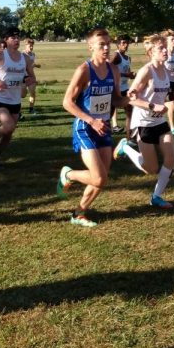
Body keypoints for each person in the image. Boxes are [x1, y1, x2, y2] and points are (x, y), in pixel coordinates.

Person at [57, 28, 127, 227]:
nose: (106, 48)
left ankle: (78, 214)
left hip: (103, 128)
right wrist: (91, 121)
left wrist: (128, 98)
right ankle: (68, 174)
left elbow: (115, 100)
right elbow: (67, 102)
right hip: (85, 127)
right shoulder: (84, 70)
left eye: (108, 44)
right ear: (91, 47)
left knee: (101, 179)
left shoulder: (113, 70)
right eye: (101, 45)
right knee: (98, 177)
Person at [115, 34, 174, 208]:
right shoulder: (146, 71)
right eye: (161, 48)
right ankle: (125, 148)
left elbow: (167, 96)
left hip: (159, 122)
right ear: (150, 52)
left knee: (171, 158)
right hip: (143, 123)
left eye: (165, 47)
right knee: (150, 168)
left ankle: (156, 197)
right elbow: (131, 98)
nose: (165, 50)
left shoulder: (166, 71)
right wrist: (152, 106)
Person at [0, 28, 35, 168]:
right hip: (1, 98)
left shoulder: (26, 58)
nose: (16, 40)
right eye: (12, 37)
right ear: (6, 40)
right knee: (9, 125)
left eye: (18, 37)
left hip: (15, 100)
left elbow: (32, 76)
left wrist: (29, 79)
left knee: (9, 133)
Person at [110, 36, 134, 133]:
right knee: (109, 113)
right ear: (118, 44)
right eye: (123, 43)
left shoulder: (128, 58)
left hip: (125, 87)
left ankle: (129, 137)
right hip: (115, 88)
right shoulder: (116, 55)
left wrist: (131, 75)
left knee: (129, 111)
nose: (126, 45)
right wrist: (125, 74)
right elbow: (107, 70)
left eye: (127, 43)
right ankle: (107, 134)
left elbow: (127, 72)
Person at [22, 38, 40, 115]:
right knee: (22, 95)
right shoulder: (21, 55)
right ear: (26, 45)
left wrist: (36, 65)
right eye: (30, 46)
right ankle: (16, 110)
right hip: (23, 77)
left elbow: (31, 64)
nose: (31, 47)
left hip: (31, 76)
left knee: (32, 93)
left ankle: (31, 109)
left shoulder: (33, 54)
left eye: (32, 46)